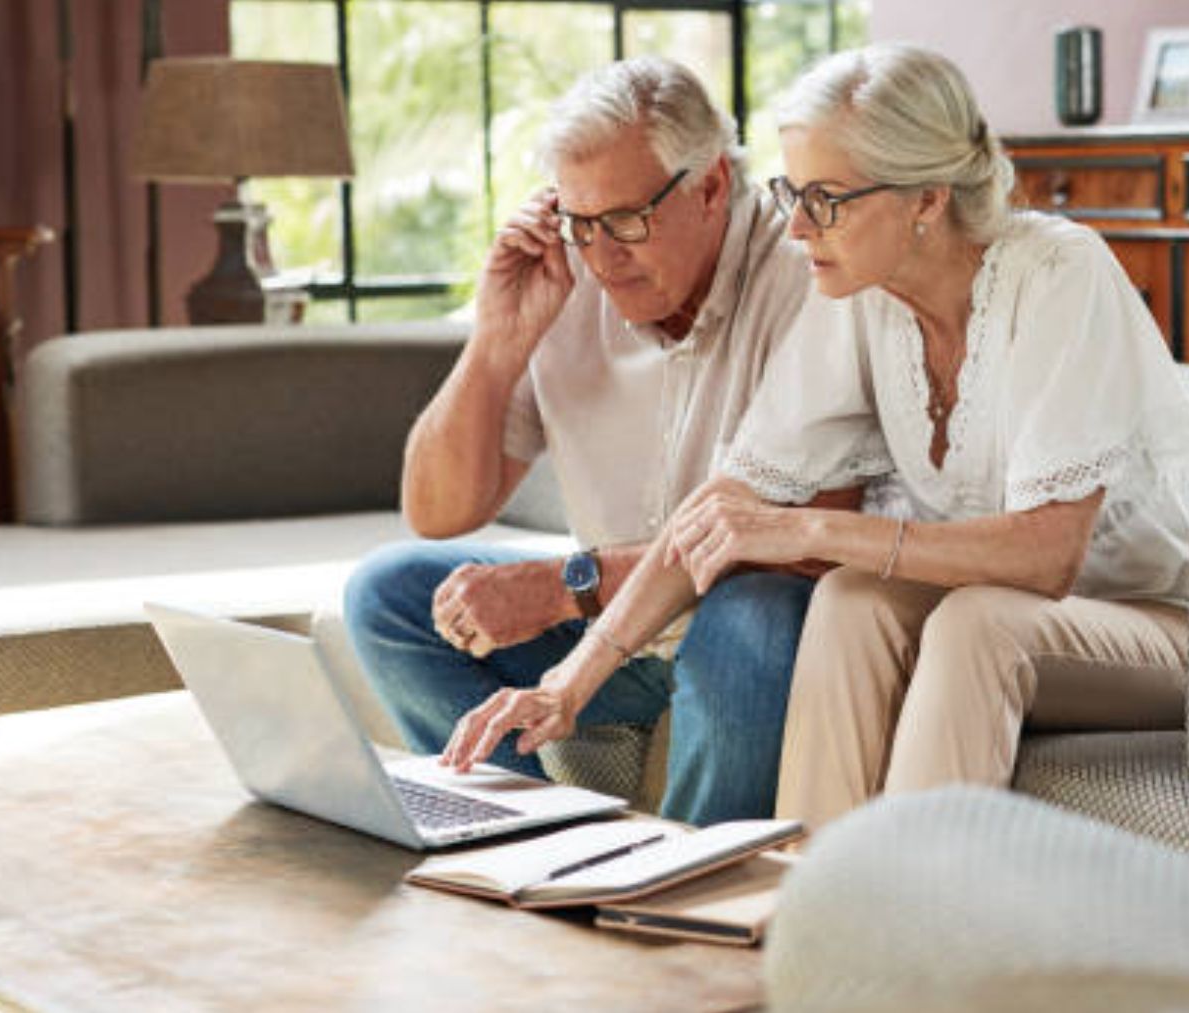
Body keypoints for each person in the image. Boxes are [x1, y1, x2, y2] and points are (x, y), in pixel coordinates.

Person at [437, 43, 1189, 834]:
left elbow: (1048, 557)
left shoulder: (1059, 274)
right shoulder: (860, 294)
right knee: (851, 598)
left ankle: (911, 929)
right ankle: (802, 904)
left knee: (974, 624)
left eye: (826, 199)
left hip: (1165, 624)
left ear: (927, 200)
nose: (797, 225)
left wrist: (809, 527)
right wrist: (569, 680)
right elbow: (727, 505)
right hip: (1018, 611)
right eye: (791, 192)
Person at [344, 57, 833, 827]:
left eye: (627, 220)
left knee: (757, 608)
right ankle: (526, 845)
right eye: (581, 221)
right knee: (389, 594)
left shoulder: (805, 276)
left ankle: (680, 889)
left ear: (709, 186)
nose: (602, 256)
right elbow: (437, 511)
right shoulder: (568, 270)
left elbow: (799, 538)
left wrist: (563, 584)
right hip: (607, 632)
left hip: (744, 635)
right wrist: (496, 341)